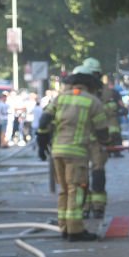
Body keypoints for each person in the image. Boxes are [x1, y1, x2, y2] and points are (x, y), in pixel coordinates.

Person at [36, 66, 110, 241]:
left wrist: (42, 142)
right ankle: (75, 230)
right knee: (77, 190)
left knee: (64, 190)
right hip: (76, 153)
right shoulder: (92, 101)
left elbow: (44, 119)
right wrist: (106, 142)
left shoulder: (60, 98)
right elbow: (102, 131)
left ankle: (64, 227)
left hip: (57, 152)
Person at [78, 58, 122, 219]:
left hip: (97, 139)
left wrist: (112, 136)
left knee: (97, 172)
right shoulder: (79, 92)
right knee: (81, 175)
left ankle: (98, 206)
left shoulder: (105, 92)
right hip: (81, 139)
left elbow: (110, 115)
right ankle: (84, 205)